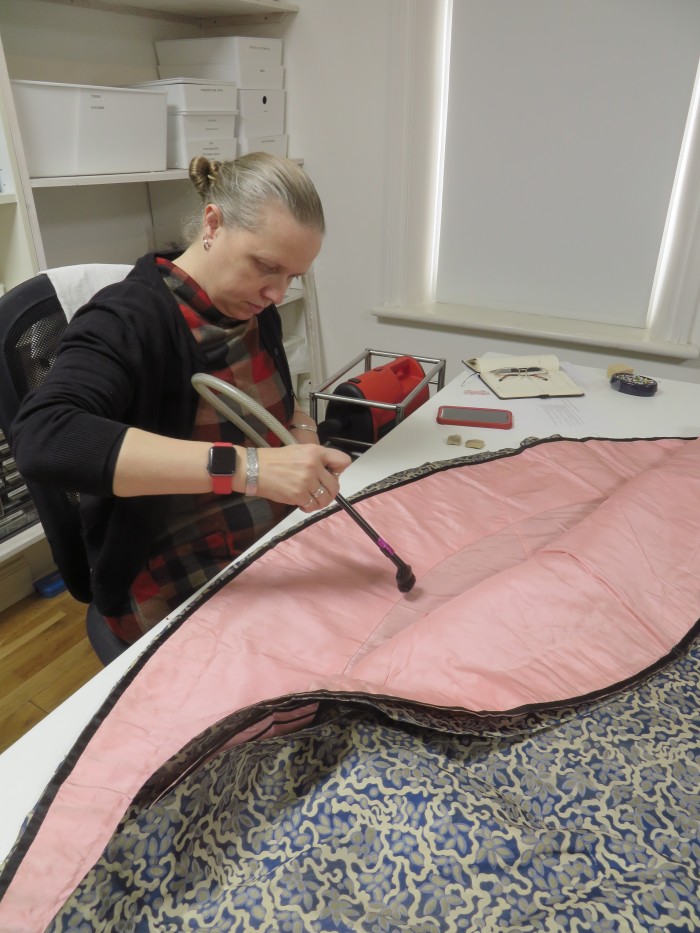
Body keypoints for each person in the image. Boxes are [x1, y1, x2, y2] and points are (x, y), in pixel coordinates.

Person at [11, 153, 351, 644]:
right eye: (266, 266)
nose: (278, 292)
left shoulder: (256, 306)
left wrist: (299, 434)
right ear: (213, 223)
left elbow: (280, 401)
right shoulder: (127, 319)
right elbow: (45, 437)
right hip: (174, 572)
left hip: (270, 540)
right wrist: (250, 468)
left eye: (293, 277)